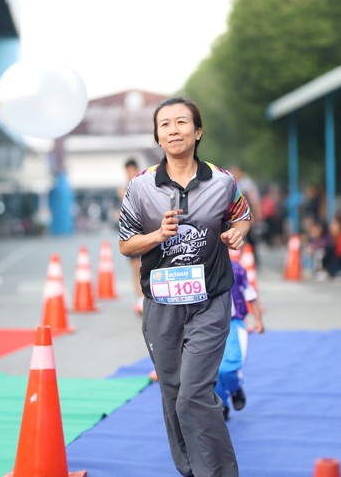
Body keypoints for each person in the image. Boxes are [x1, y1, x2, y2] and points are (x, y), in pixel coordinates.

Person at [119, 97, 251, 477]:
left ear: (198, 132)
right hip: (161, 304)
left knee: (194, 393)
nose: (173, 130)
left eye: (181, 122)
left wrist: (238, 233)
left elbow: (242, 214)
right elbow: (126, 243)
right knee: (174, 393)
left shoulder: (222, 182)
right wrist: (157, 235)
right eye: (165, 124)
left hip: (210, 300)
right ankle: (191, 469)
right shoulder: (140, 187)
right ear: (158, 136)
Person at [215, 253, 264, 421]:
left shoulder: (236, 269)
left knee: (227, 368)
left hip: (233, 323)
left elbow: (251, 295)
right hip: (206, 325)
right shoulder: (197, 267)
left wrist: (258, 320)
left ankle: (235, 388)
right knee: (210, 370)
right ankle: (221, 403)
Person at [118, 159, 143, 314]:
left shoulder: (143, 185)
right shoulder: (123, 190)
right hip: (131, 233)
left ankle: (147, 298)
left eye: (132, 170)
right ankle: (140, 300)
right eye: (128, 171)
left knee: (144, 267)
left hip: (144, 232)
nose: (130, 173)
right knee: (135, 268)